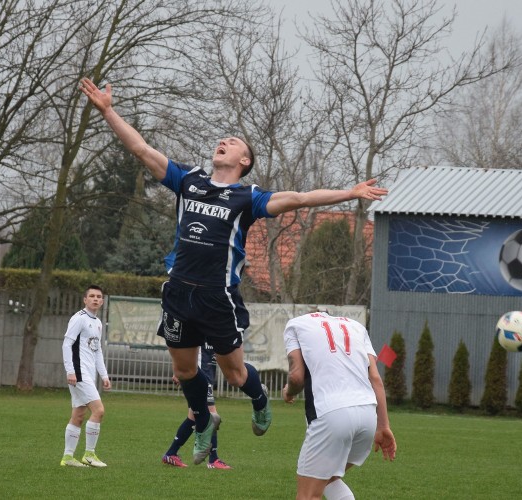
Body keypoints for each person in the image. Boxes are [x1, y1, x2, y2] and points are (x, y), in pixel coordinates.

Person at [78, 78, 388, 466]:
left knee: (236, 372)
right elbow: (141, 150)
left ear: (243, 161)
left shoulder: (247, 197)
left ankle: (259, 400)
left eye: (233, 141)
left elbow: (300, 198)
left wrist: (351, 192)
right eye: (222, 139)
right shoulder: (187, 180)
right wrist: (108, 111)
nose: (223, 141)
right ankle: (204, 421)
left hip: (216, 295)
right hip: (178, 291)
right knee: (184, 369)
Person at [282, 311, 397, 499]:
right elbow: (375, 378)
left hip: (332, 413)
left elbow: (296, 377)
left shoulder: (296, 324)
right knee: (329, 479)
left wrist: (288, 392)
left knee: (308, 495)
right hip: (368, 415)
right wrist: (383, 426)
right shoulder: (356, 326)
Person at [60, 284, 111, 467]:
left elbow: (97, 352)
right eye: (92, 296)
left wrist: (104, 375)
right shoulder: (78, 319)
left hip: (88, 373)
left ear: (102, 301)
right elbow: (67, 345)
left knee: (79, 415)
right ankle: (89, 454)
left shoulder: (97, 322)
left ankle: (67, 457)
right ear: (85, 299)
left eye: (99, 296)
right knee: (99, 411)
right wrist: (70, 371)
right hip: (79, 373)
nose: (95, 299)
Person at [162, 343, 232, 469]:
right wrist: (179, 369)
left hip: (205, 373)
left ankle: (171, 453)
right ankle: (213, 459)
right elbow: (182, 345)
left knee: (193, 416)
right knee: (211, 415)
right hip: (198, 375)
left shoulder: (215, 327)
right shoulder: (202, 325)